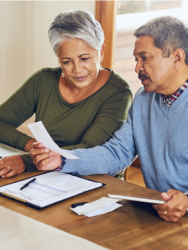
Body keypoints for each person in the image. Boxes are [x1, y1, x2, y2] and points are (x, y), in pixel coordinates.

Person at [31, 16, 188, 222]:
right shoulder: (143, 99)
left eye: (145, 57)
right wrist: (61, 160)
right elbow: (117, 153)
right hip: (159, 214)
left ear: (177, 57)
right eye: (135, 59)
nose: (137, 68)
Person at [0, 10, 132, 180]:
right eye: (67, 61)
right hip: (47, 175)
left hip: (95, 181)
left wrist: (26, 161)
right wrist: (32, 146)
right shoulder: (43, 80)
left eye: (85, 59)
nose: (77, 70)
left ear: (101, 52)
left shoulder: (118, 92)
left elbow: (90, 150)